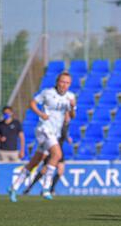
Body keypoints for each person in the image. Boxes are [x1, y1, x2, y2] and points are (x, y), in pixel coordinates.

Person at [7, 72, 75, 202]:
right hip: (44, 128)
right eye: (62, 81)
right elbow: (32, 103)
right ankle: (46, 188)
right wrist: (40, 113)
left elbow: (72, 116)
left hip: (55, 132)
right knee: (57, 154)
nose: (64, 85)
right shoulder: (47, 92)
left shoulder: (70, 97)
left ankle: (14, 187)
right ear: (57, 82)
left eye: (67, 83)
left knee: (36, 161)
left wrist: (72, 108)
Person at [22, 119, 70, 195]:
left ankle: (51, 189)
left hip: (60, 151)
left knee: (60, 170)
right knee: (44, 170)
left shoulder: (66, 125)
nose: (68, 117)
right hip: (52, 150)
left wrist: (67, 138)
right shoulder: (57, 124)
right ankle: (29, 187)